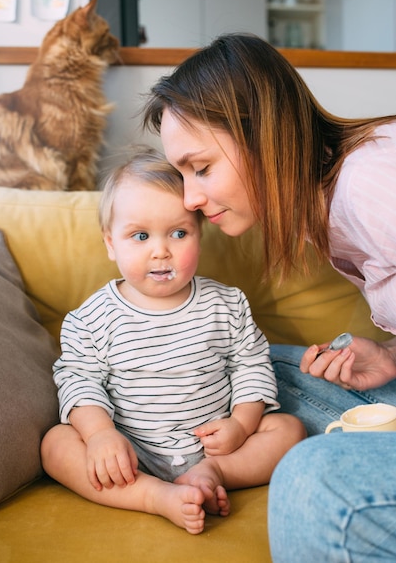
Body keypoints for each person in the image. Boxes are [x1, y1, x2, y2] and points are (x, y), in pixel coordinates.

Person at [141, 33, 396, 560]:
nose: (190, 198)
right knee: (259, 367)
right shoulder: (319, 206)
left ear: (264, 135)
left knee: (311, 476)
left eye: (202, 167)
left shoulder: (371, 182)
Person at [41, 147, 305, 535]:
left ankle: (212, 475)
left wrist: (241, 425)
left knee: (289, 431)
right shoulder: (90, 318)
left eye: (179, 233)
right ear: (111, 243)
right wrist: (100, 435)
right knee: (55, 444)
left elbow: (252, 365)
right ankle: (153, 497)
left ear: (201, 234)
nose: (161, 251)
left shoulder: (226, 304)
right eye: (140, 235)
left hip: (215, 447)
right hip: (130, 454)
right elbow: (79, 380)